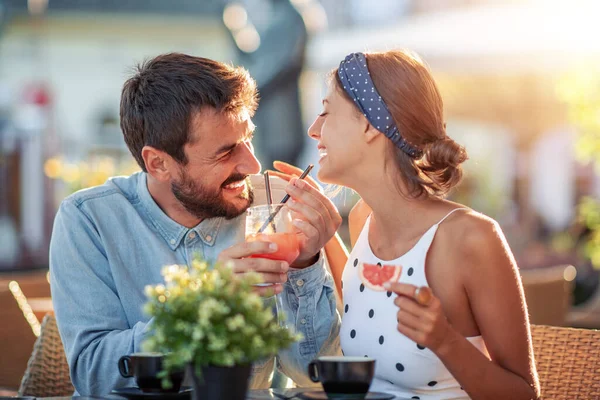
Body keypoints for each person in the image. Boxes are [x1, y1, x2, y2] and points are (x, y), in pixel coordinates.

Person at [49, 53, 341, 396]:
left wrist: (305, 265)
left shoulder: (277, 206)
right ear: (158, 163)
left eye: (248, 138)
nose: (252, 164)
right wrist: (206, 299)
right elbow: (95, 373)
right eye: (225, 152)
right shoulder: (89, 220)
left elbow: (317, 374)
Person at [306, 51, 540, 399]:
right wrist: (323, 236)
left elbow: (525, 394)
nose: (314, 129)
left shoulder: (471, 238)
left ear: (370, 124)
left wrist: (445, 341)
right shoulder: (363, 220)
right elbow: (374, 310)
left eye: (326, 111)